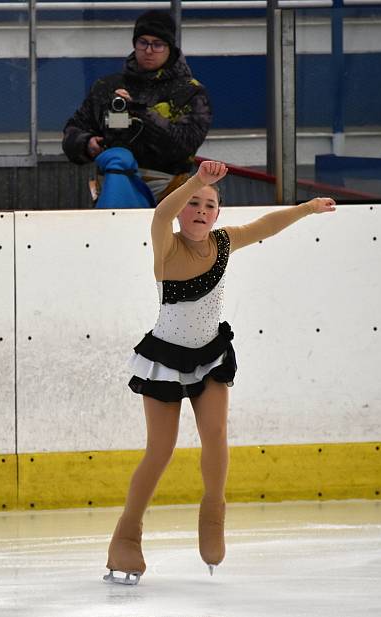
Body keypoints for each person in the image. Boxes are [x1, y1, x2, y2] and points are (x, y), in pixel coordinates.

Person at [103, 161, 337, 585]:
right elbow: (158, 214)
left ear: (217, 214)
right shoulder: (166, 246)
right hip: (165, 363)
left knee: (216, 436)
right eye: (192, 202)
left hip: (210, 355)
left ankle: (213, 516)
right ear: (179, 210)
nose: (200, 209)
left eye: (209, 204)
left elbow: (266, 225)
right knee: (161, 450)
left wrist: (305, 208)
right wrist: (198, 180)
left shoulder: (223, 244)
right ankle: (127, 535)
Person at [62, 10, 212, 204]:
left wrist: (138, 113)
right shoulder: (107, 87)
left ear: (170, 48)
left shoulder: (190, 92)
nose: (149, 50)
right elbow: (72, 132)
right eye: (143, 42)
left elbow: (185, 144)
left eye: (157, 44)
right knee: (118, 159)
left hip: (167, 193)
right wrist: (88, 144)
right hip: (111, 185)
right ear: (135, 44)